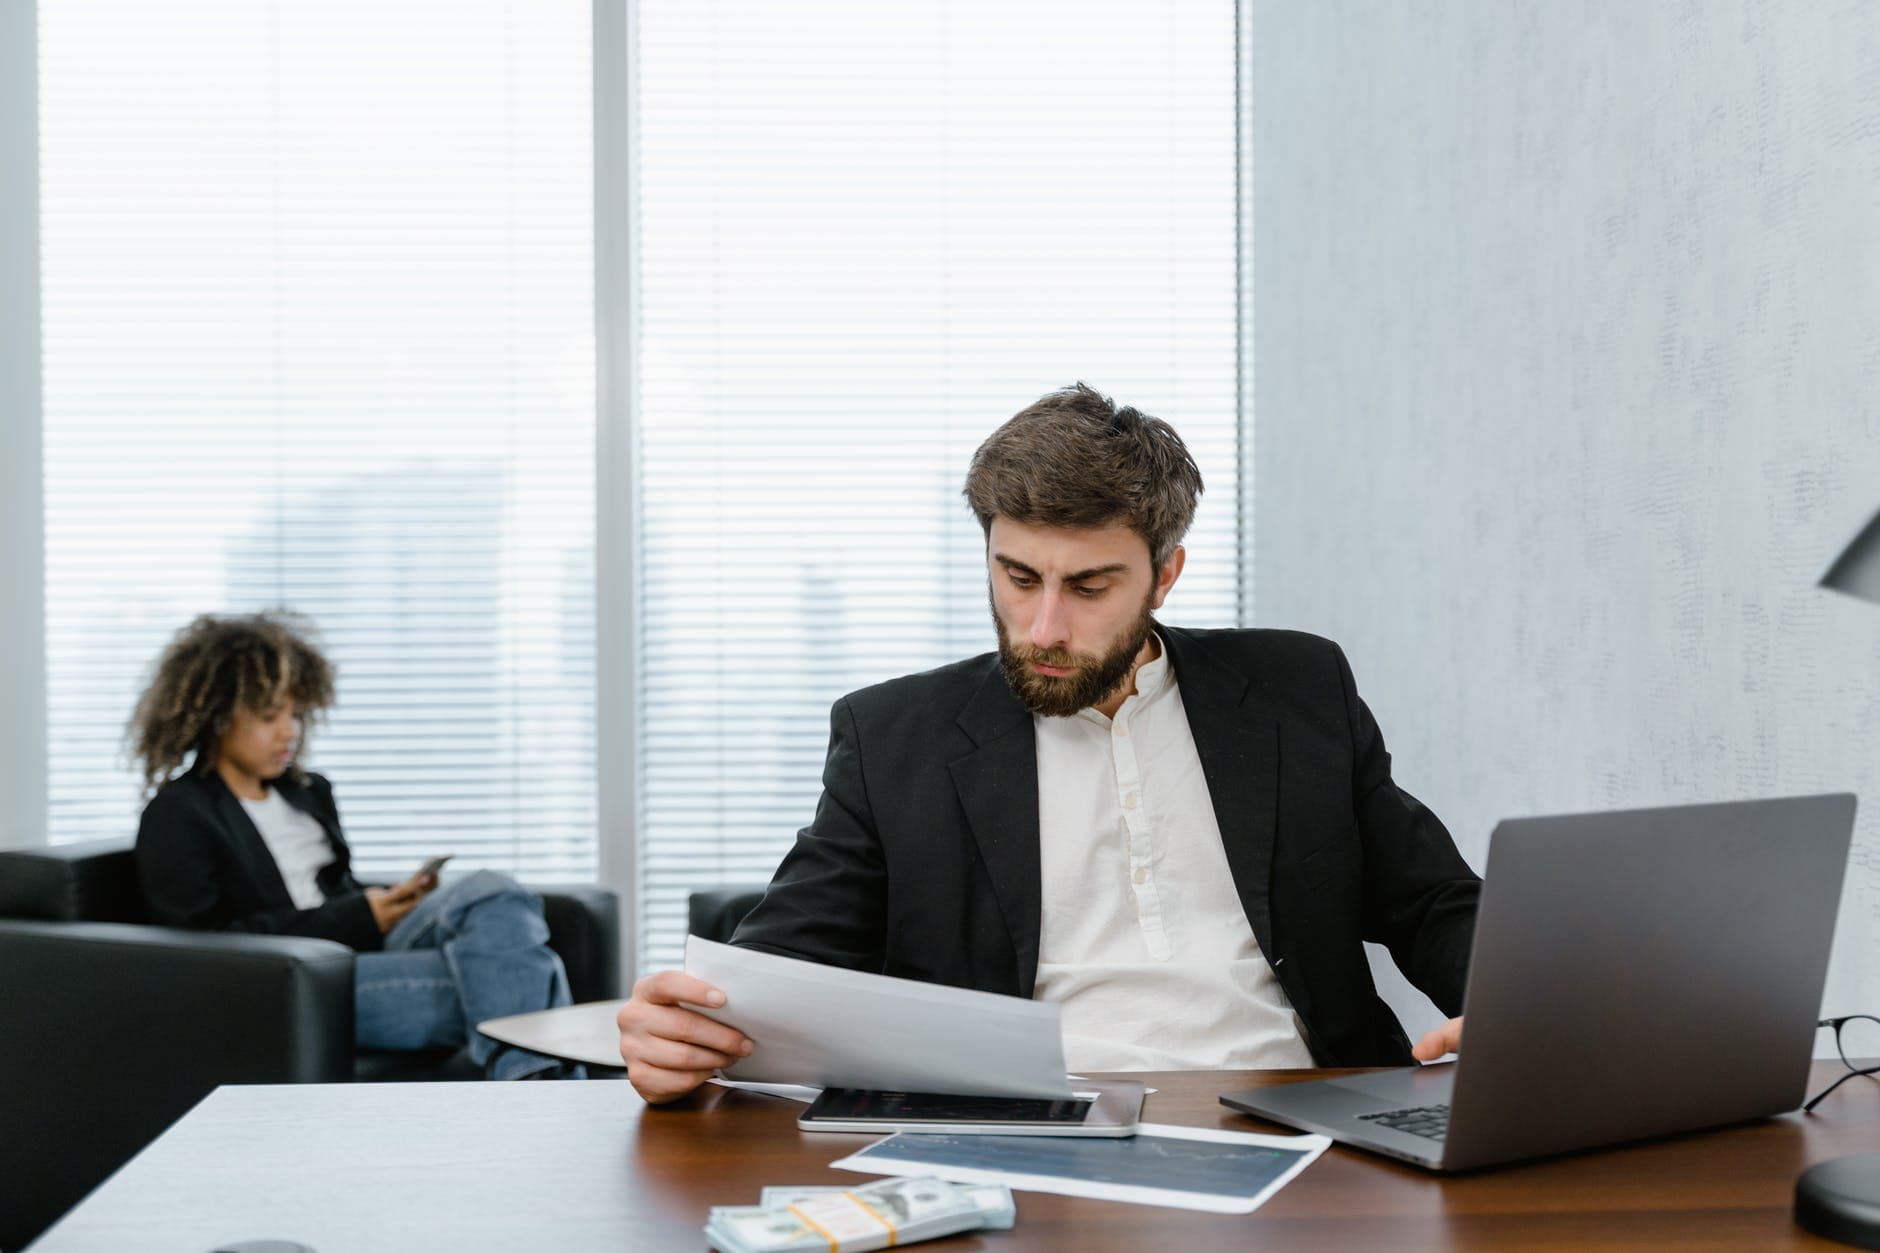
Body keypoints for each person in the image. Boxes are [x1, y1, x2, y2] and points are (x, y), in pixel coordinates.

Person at [617, 383, 1480, 1104]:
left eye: (1090, 584)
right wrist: (684, 1037)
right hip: (1032, 1131)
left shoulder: (1298, 689)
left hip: (1306, 1114)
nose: (1044, 625)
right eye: (1018, 576)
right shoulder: (894, 740)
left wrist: (1516, 1015)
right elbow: (778, 974)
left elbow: (1433, 902)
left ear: (1166, 573)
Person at [131, 611, 582, 1080]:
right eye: (270, 716)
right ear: (217, 718)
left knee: (493, 889)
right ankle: (539, 1089)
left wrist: (392, 903)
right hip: (295, 982)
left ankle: (531, 1086)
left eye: (296, 714)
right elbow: (207, 950)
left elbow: (333, 888)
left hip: (362, 946)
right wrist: (359, 917)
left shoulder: (308, 791)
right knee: (510, 978)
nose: (290, 731)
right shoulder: (179, 813)